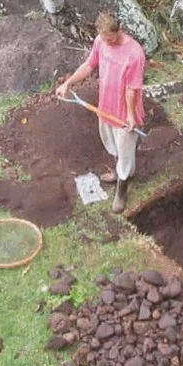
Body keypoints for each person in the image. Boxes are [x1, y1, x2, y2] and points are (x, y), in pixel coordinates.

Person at [56, 12, 146, 214]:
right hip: (105, 107)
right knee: (111, 144)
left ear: (119, 29)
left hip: (124, 113)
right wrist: (67, 83)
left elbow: (132, 89)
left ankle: (122, 190)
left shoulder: (134, 53)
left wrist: (130, 116)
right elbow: (89, 65)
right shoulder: (101, 41)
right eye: (104, 38)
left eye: (110, 39)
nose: (107, 42)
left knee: (125, 152)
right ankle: (117, 173)